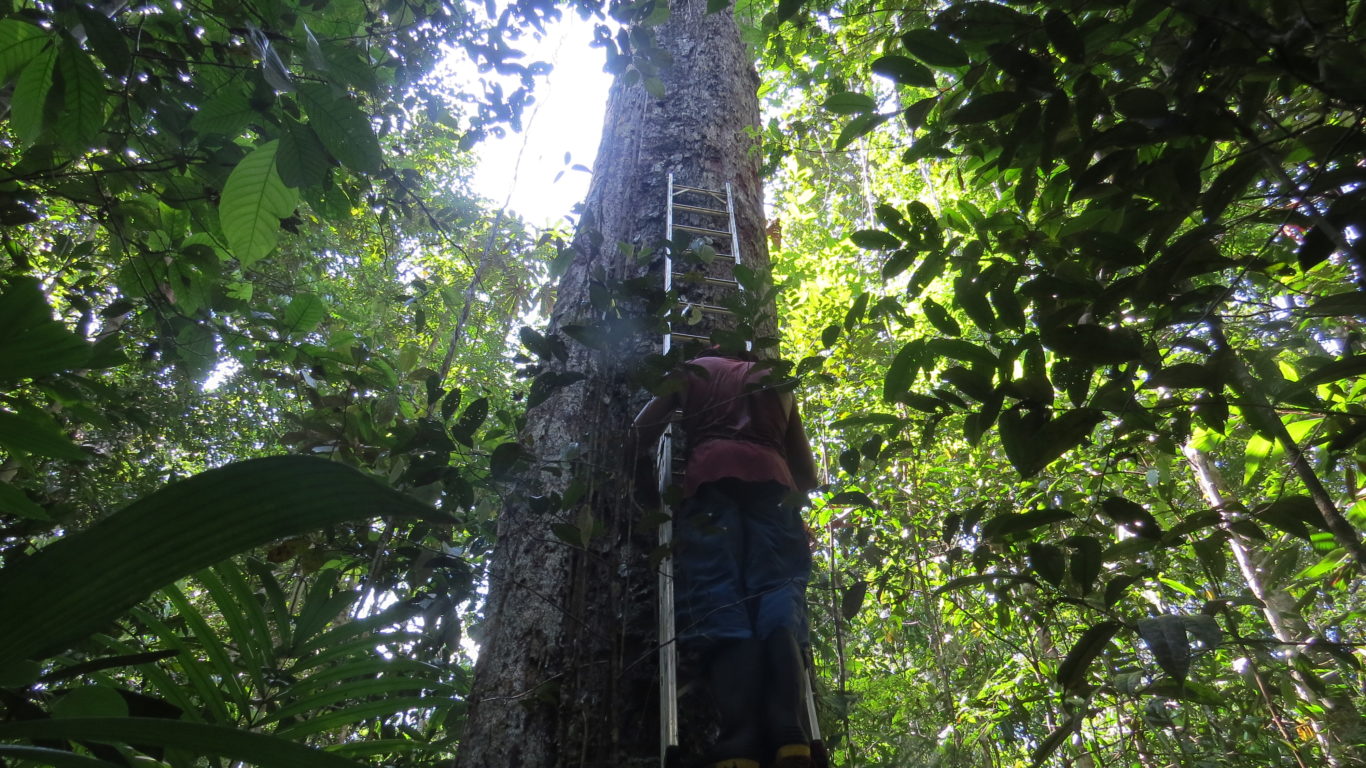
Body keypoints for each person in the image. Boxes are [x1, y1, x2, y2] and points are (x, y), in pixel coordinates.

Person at [630, 347, 820, 768]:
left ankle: (740, 738)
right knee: (778, 593)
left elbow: (640, 429)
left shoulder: (692, 370)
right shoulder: (777, 380)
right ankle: (788, 730)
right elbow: (807, 475)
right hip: (774, 486)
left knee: (719, 593)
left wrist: (649, 484)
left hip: (711, 481)